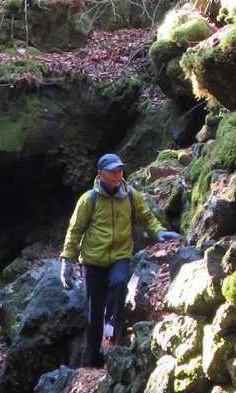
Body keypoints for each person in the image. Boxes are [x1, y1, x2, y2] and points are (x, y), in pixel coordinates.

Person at [58, 154, 179, 365]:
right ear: (100, 174)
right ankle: (92, 361)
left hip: (120, 256)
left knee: (119, 284)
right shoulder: (89, 199)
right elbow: (75, 230)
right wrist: (67, 260)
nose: (117, 175)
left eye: (120, 170)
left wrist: (158, 232)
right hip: (93, 261)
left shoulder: (130, 195)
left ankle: (109, 342)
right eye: (112, 171)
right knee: (93, 312)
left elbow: (146, 217)